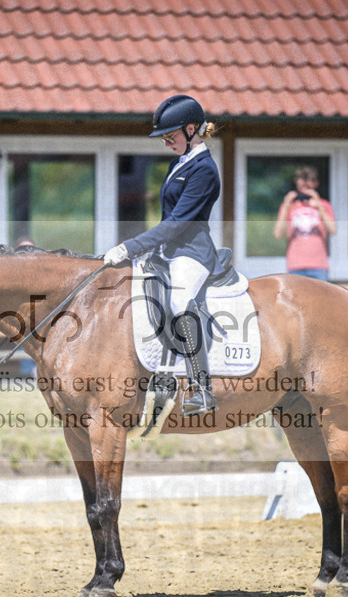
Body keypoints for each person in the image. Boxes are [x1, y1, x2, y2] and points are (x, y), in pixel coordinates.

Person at [103, 94, 222, 416]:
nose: (167, 143)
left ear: (191, 129)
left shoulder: (205, 170)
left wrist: (131, 246)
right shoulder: (178, 163)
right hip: (168, 249)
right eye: (165, 138)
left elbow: (178, 222)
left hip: (191, 251)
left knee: (179, 302)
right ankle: (161, 374)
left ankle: (201, 387)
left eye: (171, 137)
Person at [273, 165, 337, 281]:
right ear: (296, 181)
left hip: (319, 265)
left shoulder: (324, 204)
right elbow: (278, 234)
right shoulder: (288, 206)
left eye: (309, 181)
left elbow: (333, 230)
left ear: (316, 183)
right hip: (295, 264)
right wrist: (287, 206)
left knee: (321, 298)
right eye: (302, 180)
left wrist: (319, 207)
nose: (305, 185)